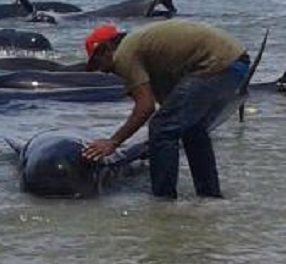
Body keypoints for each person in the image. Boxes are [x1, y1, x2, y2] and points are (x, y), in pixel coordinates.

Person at [81, 20, 250, 199]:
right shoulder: (144, 49)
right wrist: (156, 148)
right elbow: (169, 104)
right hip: (235, 61)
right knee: (192, 129)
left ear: (106, 49)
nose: (102, 71)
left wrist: (112, 142)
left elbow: (146, 108)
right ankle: (209, 195)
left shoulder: (124, 54)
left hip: (216, 63)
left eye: (97, 63)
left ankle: (163, 201)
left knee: (161, 128)